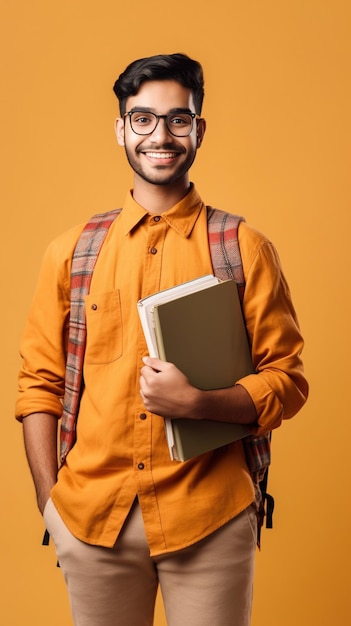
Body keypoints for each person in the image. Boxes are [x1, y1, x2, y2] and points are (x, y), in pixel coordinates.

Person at [16, 53, 308, 626]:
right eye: (143, 119)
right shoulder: (72, 251)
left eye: (178, 119)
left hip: (211, 518)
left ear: (198, 129)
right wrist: (50, 504)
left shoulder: (243, 249)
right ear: (122, 129)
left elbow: (288, 380)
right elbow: (38, 385)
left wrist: (198, 405)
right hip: (92, 521)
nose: (161, 135)